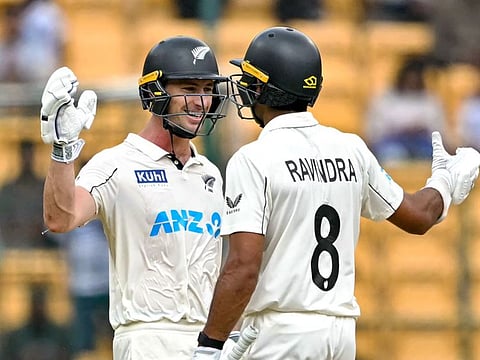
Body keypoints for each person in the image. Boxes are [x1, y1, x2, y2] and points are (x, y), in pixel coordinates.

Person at [191, 26, 480, 359]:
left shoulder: (252, 158)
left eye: (251, 82)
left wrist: (210, 344)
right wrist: (446, 182)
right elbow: (418, 216)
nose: (245, 89)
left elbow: (243, 266)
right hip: (341, 333)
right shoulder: (350, 149)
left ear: (264, 90)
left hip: (282, 333)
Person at [40, 36, 229, 359]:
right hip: (148, 341)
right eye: (188, 89)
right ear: (155, 93)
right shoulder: (117, 164)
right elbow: (61, 218)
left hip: (207, 343)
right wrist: (62, 151)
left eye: (206, 89)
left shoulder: (209, 172)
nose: (201, 101)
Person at [364, 56, 447, 164]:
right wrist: (399, 129)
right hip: (392, 142)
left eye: (415, 79)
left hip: (422, 143)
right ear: (402, 78)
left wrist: (418, 129)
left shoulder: (430, 100)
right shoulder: (384, 98)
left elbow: (439, 130)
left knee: (429, 158)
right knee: (392, 157)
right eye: (409, 78)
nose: (412, 82)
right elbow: (374, 131)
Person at [52, 217, 112, 358]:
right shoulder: (72, 211)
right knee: (84, 335)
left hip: (107, 282)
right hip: (81, 284)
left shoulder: (105, 206)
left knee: (114, 329)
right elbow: (54, 230)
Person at [0, 139, 56, 249]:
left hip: (41, 242)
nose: (27, 160)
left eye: (29, 156)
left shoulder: (44, 188)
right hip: (12, 241)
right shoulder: (8, 189)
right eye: (24, 156)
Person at [0, 283, 72, 360]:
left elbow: (67, 354)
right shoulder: (15, 337)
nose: (38, 308)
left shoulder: (59, 334)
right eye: (36, 304)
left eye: (41, 304)